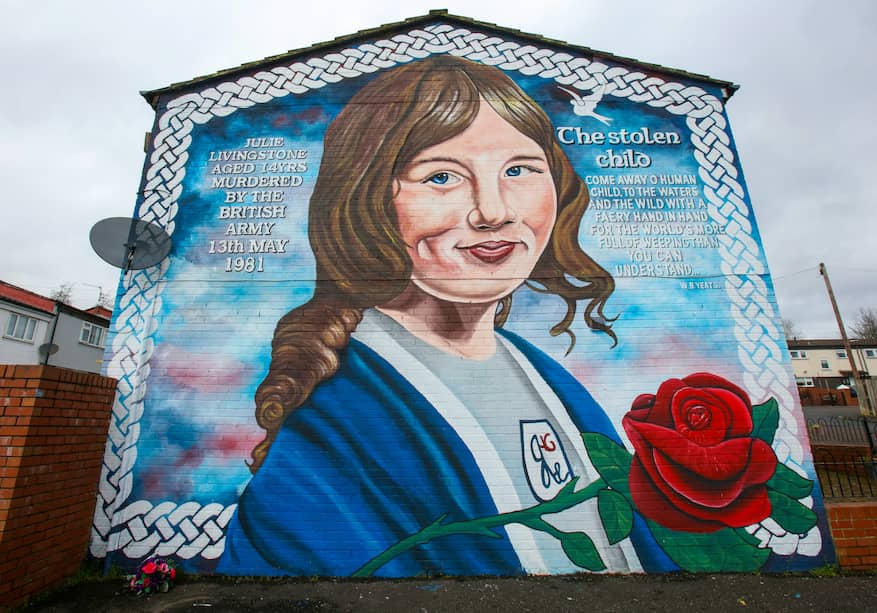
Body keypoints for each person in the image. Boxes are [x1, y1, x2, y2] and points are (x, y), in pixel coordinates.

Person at [218, 55, 671, 576]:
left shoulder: (546, 377)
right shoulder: (338, 416)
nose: (494, 211)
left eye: (519, 170)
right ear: (366, 198)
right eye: (442, 177)